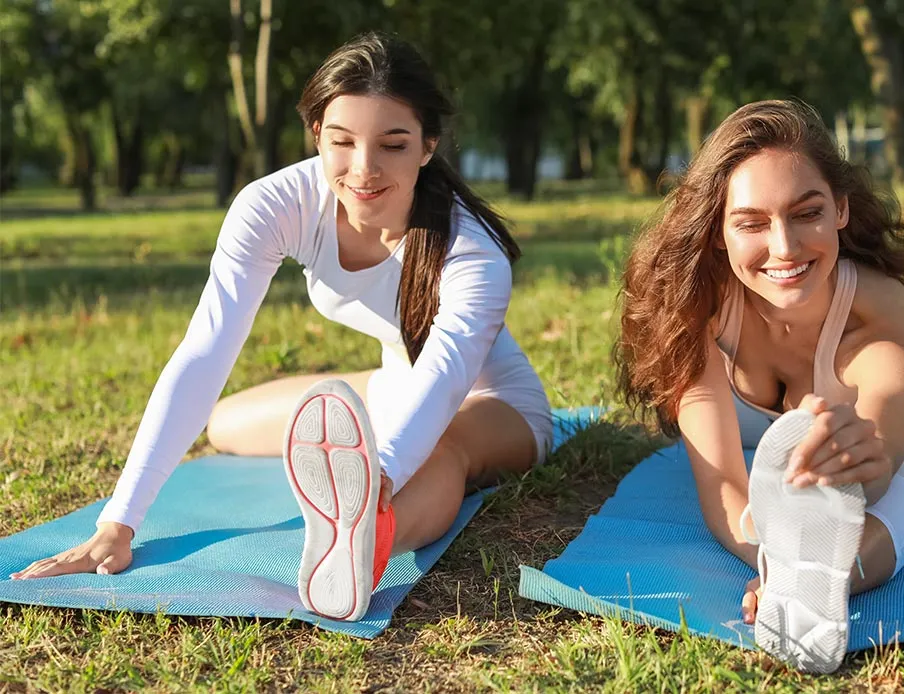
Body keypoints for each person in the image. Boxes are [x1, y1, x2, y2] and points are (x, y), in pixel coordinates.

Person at [11, 32, 552, 624]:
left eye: (392, 145)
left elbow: (446, 377)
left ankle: (360, 549)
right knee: (226, 424)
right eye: (342, 141)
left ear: (428, 146)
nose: (364, 169)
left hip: (490, 403)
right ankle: (358, 463)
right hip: (393, 384)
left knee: (441, 447)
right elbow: (205, 352)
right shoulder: (275, 206)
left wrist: (380, 474)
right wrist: (118, 522)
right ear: (316, 134)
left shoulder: (472, 251)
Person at [614, 100, 904, 673]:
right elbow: (723, 484)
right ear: (717, 232)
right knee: (787, 471)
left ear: (840, 210)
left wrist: (846, 478)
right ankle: (805, 572)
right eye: (751, 223)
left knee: (894, 484)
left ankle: (829, 587)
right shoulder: (695, 313)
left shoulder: (876, 312)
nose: (785, 247)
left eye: (806, 213)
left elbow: (875, 465)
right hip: (811, 420)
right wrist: (773, 561)